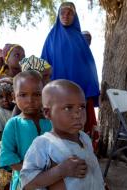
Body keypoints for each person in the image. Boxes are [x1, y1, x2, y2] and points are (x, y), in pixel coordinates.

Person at [20, 79, 104, 190]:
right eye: (68, 108)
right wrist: (60, 171)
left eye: (82, 107)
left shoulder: (84, 138)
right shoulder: (43, 144)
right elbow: (27, 182)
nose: (77, 114)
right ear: (47, 113)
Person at [41, 2, 100, 150]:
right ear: (58, 15)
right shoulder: (51, 37)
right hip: (58, 94)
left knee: (79, 128)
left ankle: (82, 155)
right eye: (62, 13)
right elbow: (44, 64)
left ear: (75, 16)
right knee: (60, 128)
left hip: (80, 94)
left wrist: (92, 90)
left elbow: (89, 67)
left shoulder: (80, 39)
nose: (65, 16)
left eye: (69, 13)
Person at [0, 71, 52, 190]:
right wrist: (32, 173)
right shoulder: (13, 125)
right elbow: (7, 155)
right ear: (13, 97)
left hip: (53, 180)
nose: (30, 100)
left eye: (37, 94)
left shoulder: (51, 122)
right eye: (23, 95)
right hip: (25, 182)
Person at [0, 44, 25, 110]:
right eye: (17, 55)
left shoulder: (26, 78)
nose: (21, 59)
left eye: (23, 56)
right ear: (6, 60)